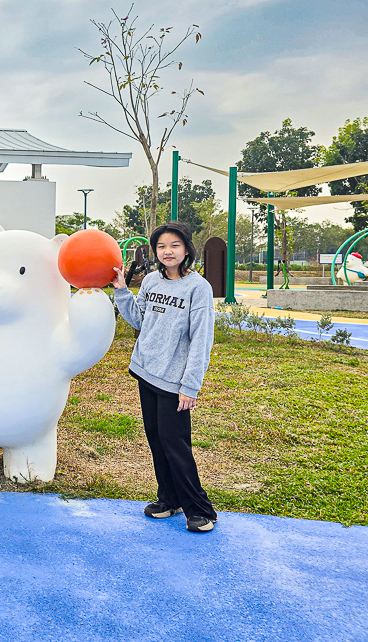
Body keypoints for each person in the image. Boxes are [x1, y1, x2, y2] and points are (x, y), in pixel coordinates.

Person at [111, 221, 219, 533]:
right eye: (161, 246)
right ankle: (169, 499)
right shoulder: (151, 281)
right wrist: (121, 290)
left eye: (174, 245)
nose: (167, 251)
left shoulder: (198, 288)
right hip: (146, 371)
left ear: (187, 249)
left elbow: (201, 340)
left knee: (175, 444)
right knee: (157, 440)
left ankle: (200, 510)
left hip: (174, 380)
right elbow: (139, 320)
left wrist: (190, 385)